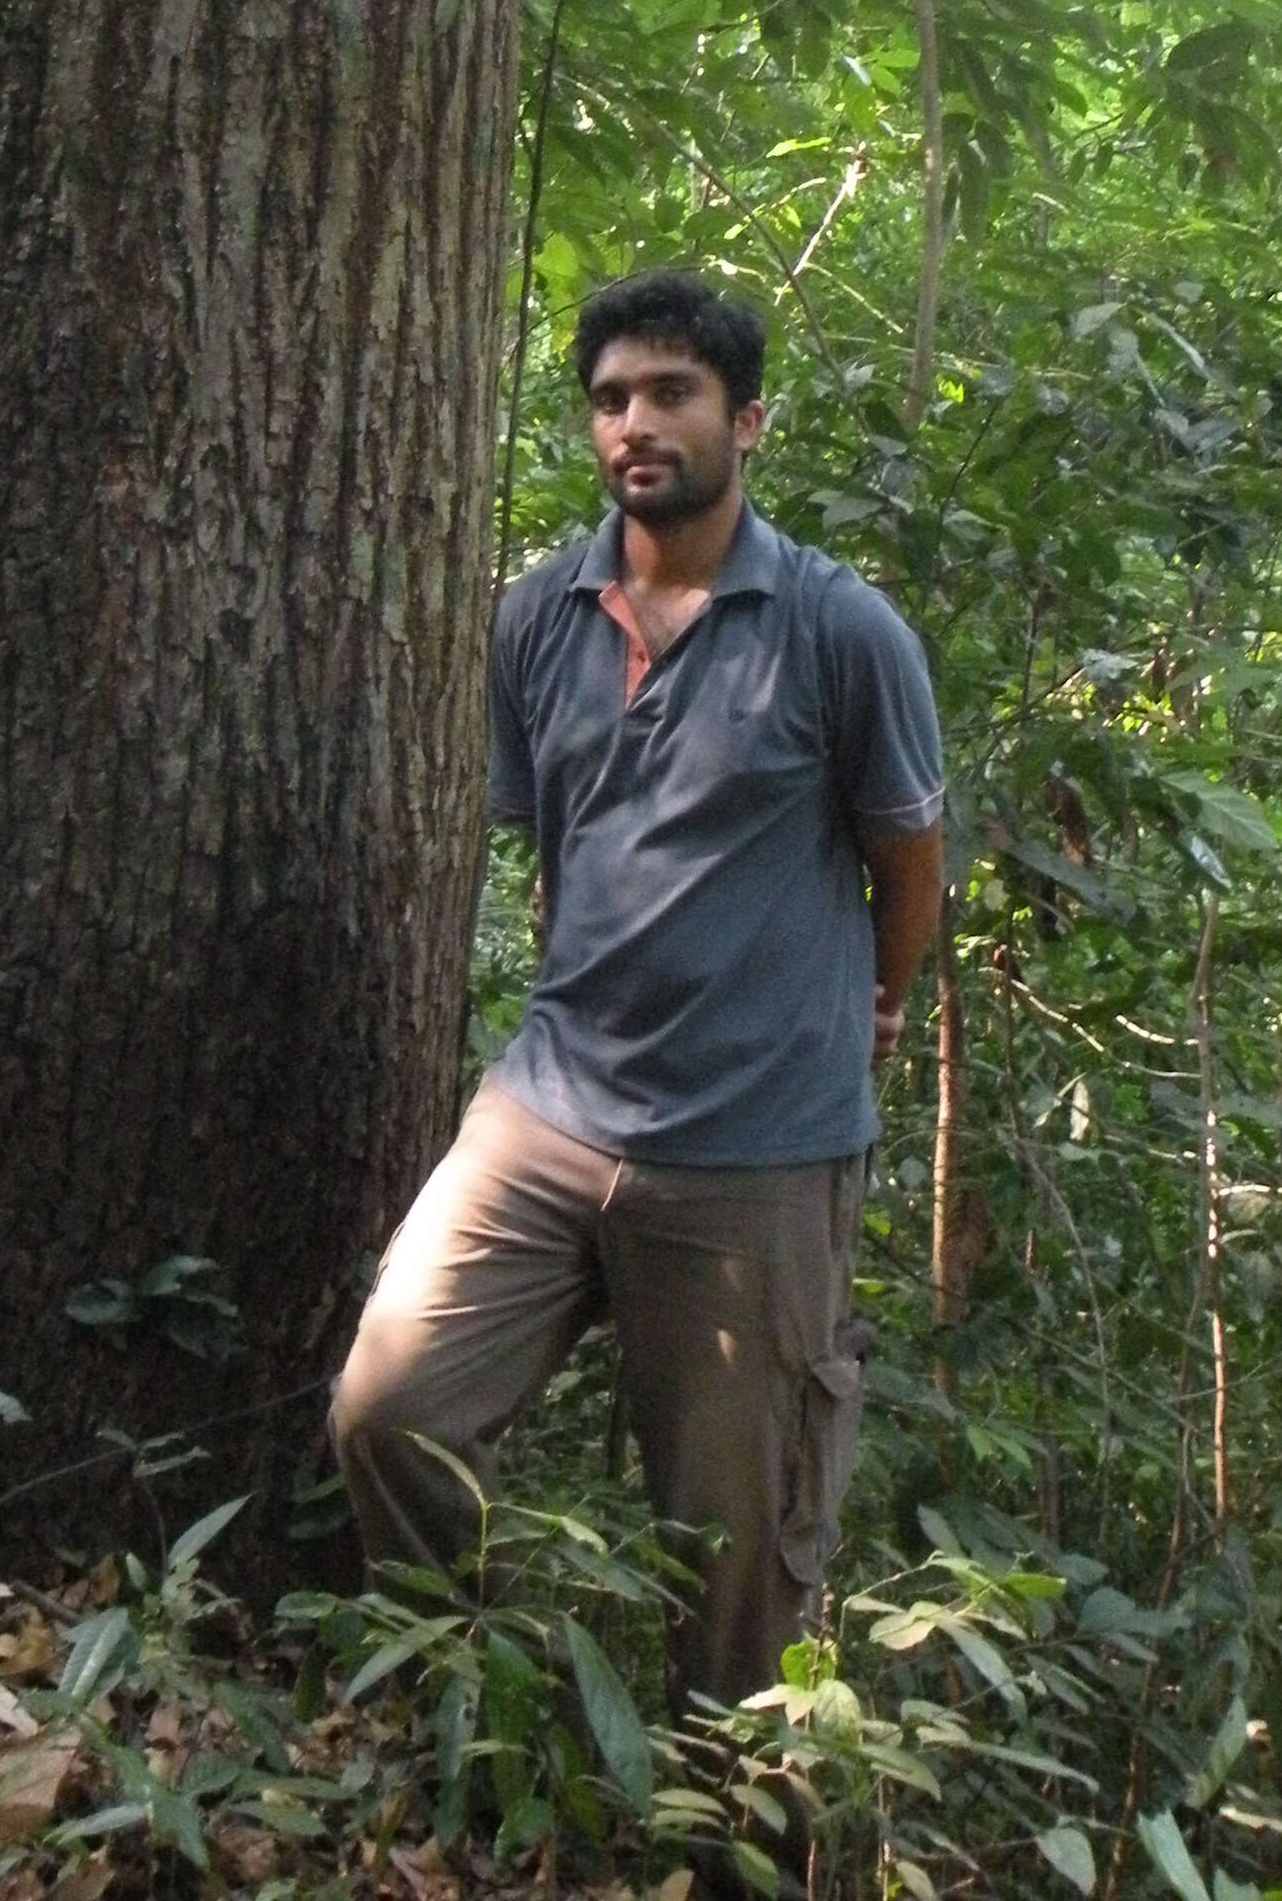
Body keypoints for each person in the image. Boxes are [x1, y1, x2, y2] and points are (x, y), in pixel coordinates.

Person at [330, 268, 943, 1729]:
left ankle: (746, 1839)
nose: (635, 424)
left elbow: (907, 860)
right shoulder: (537, 616)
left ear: (746, 418)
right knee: (387, 1415)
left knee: (741, 1572)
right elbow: (563, 838)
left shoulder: (838, 632)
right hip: (547, 1116)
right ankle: (477, 1731)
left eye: (670, 393)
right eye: (610, 399)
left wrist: (883, 1004)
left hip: (754, 1155)